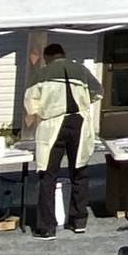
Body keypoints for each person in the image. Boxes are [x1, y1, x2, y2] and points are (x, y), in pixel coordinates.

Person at [24, 43, 97, 238]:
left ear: (47, 57)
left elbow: (30, 102)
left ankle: (47, 226)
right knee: (79, 170)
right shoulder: (80, 70)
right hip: (78, 121)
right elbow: (97, 91)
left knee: (48, 174)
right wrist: (84, 101)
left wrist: (39, 111)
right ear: (64, 55)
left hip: (53, 123)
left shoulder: (43, 73)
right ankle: (78, 220)